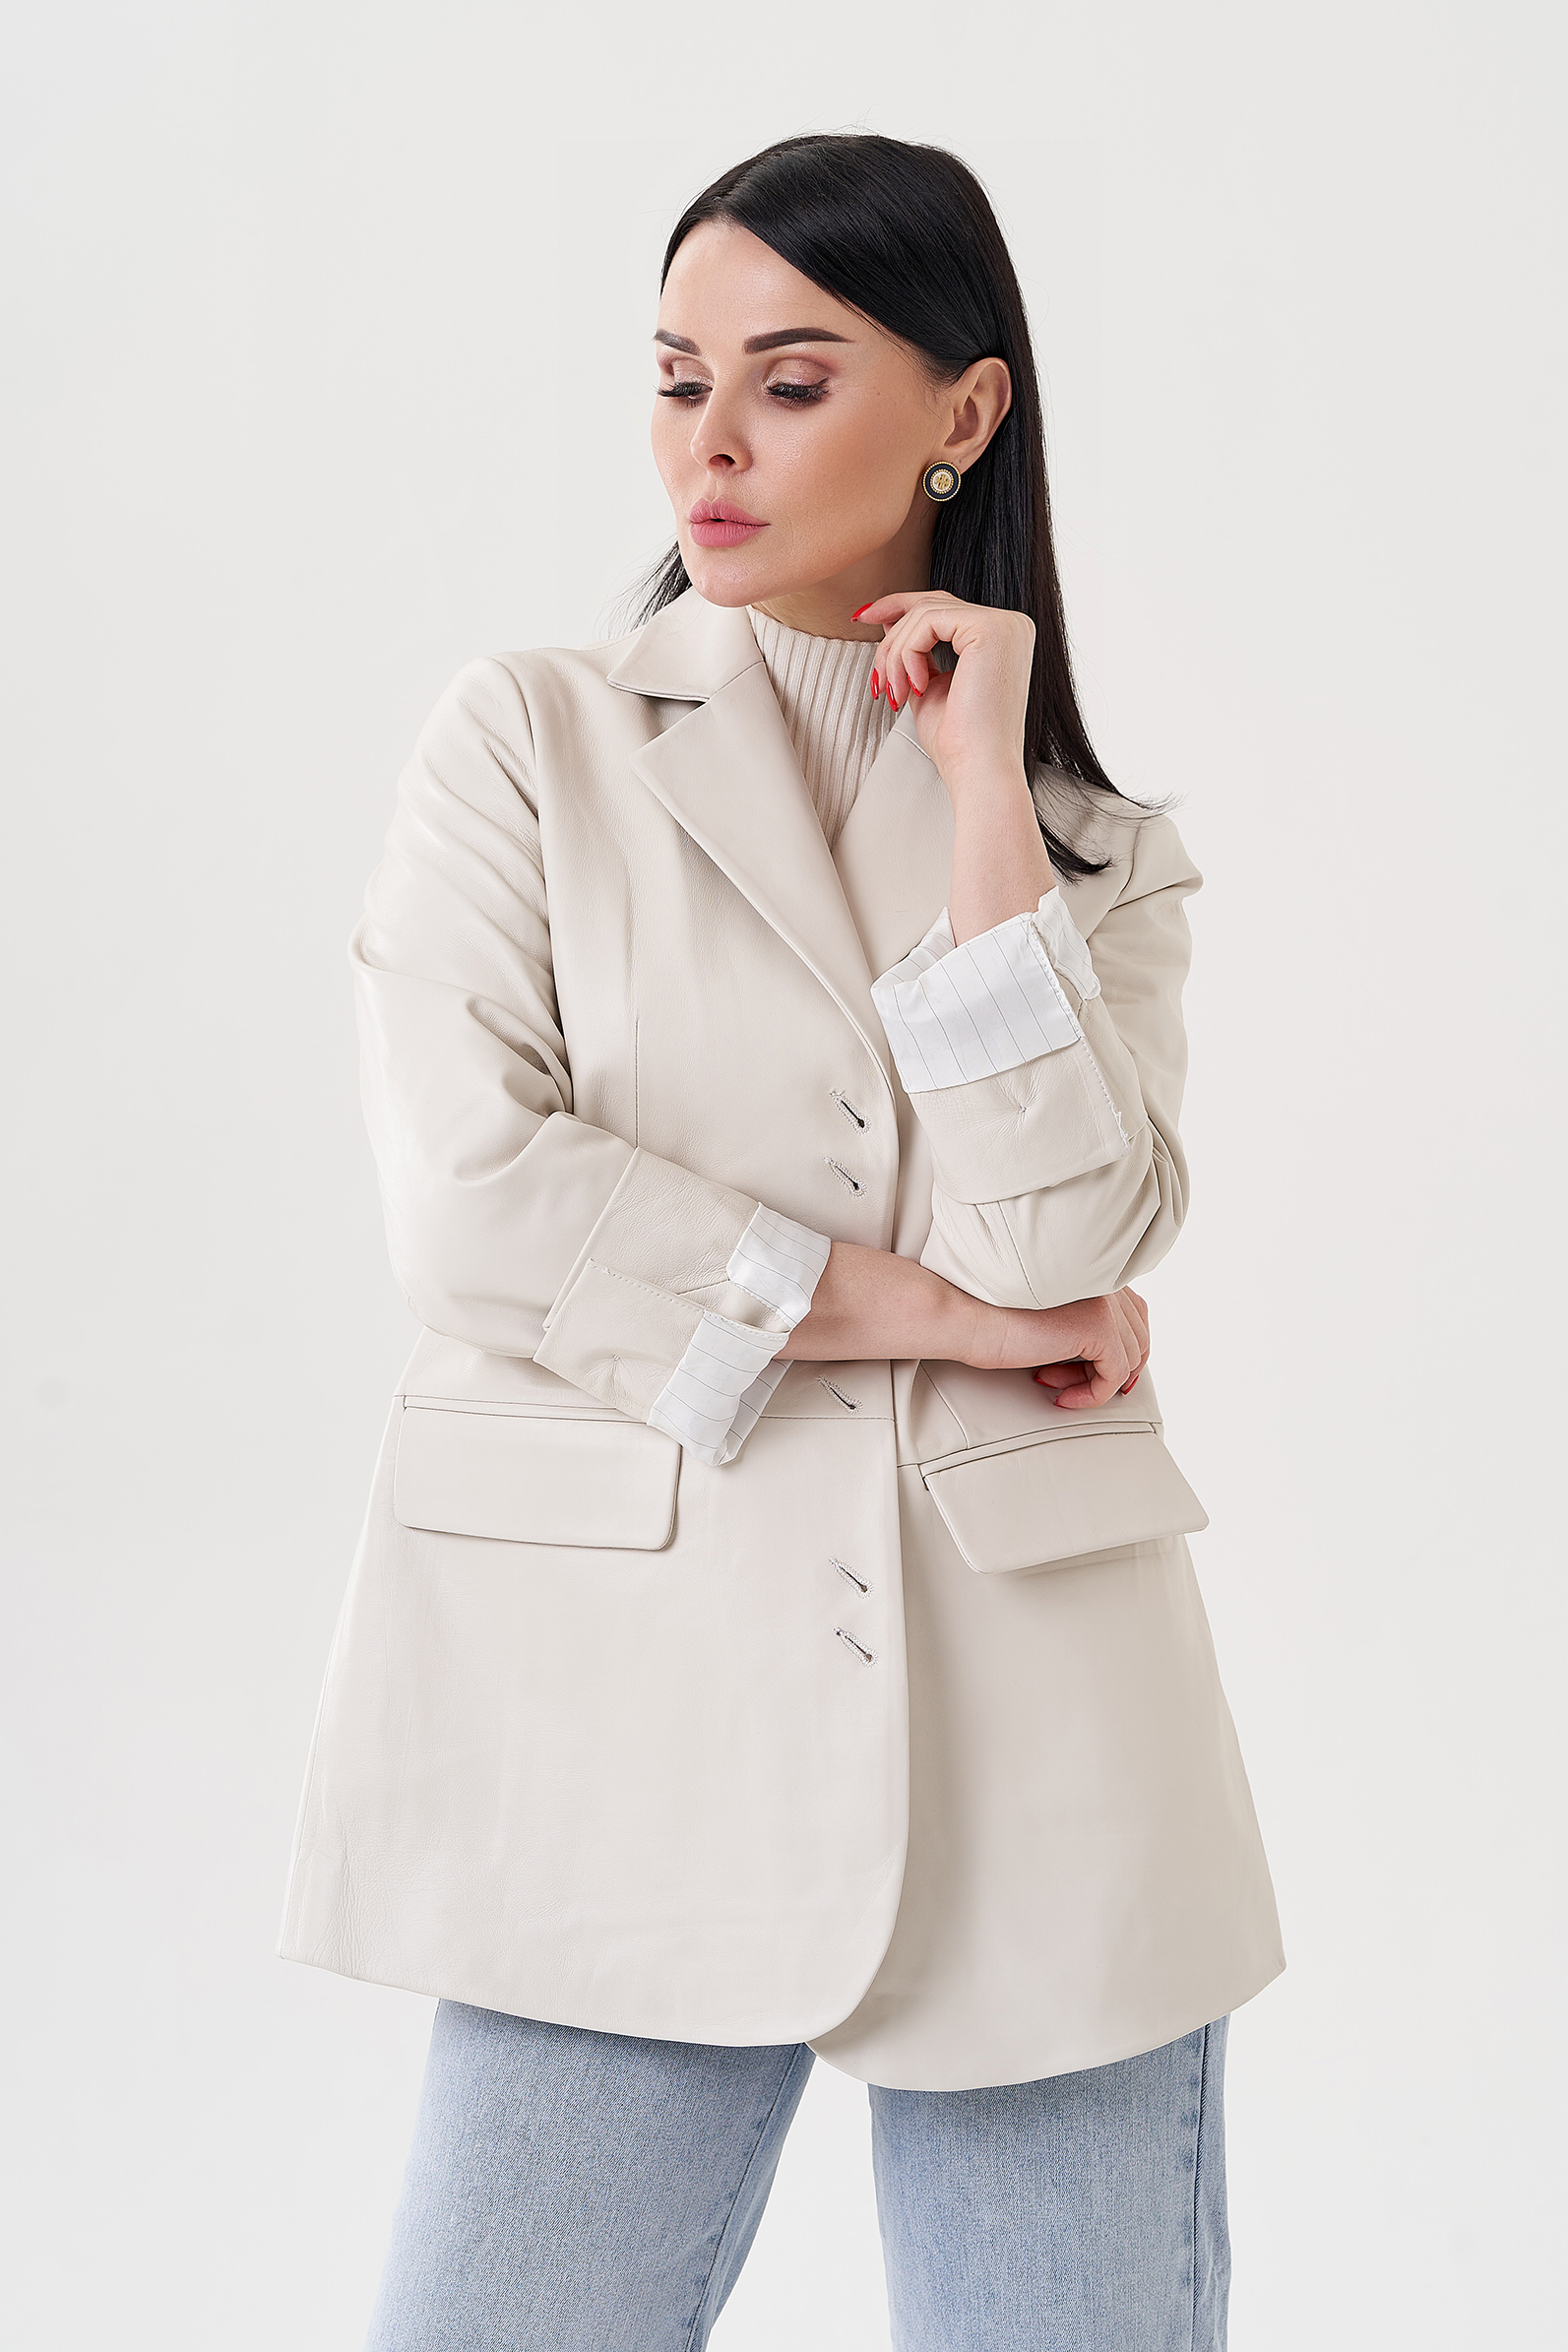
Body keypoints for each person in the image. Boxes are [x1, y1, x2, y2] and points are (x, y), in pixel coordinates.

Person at [278, 131, 1284, 2351]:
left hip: (1043, 1734)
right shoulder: (529, 741)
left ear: (962, 412)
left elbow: (1071, 1226)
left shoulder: (1092, 850)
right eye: (675, 377)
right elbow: (474, 1198)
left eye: (790, 379)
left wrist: (985, 791)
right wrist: (935, 1314)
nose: (707, 442)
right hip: (605, 1703)